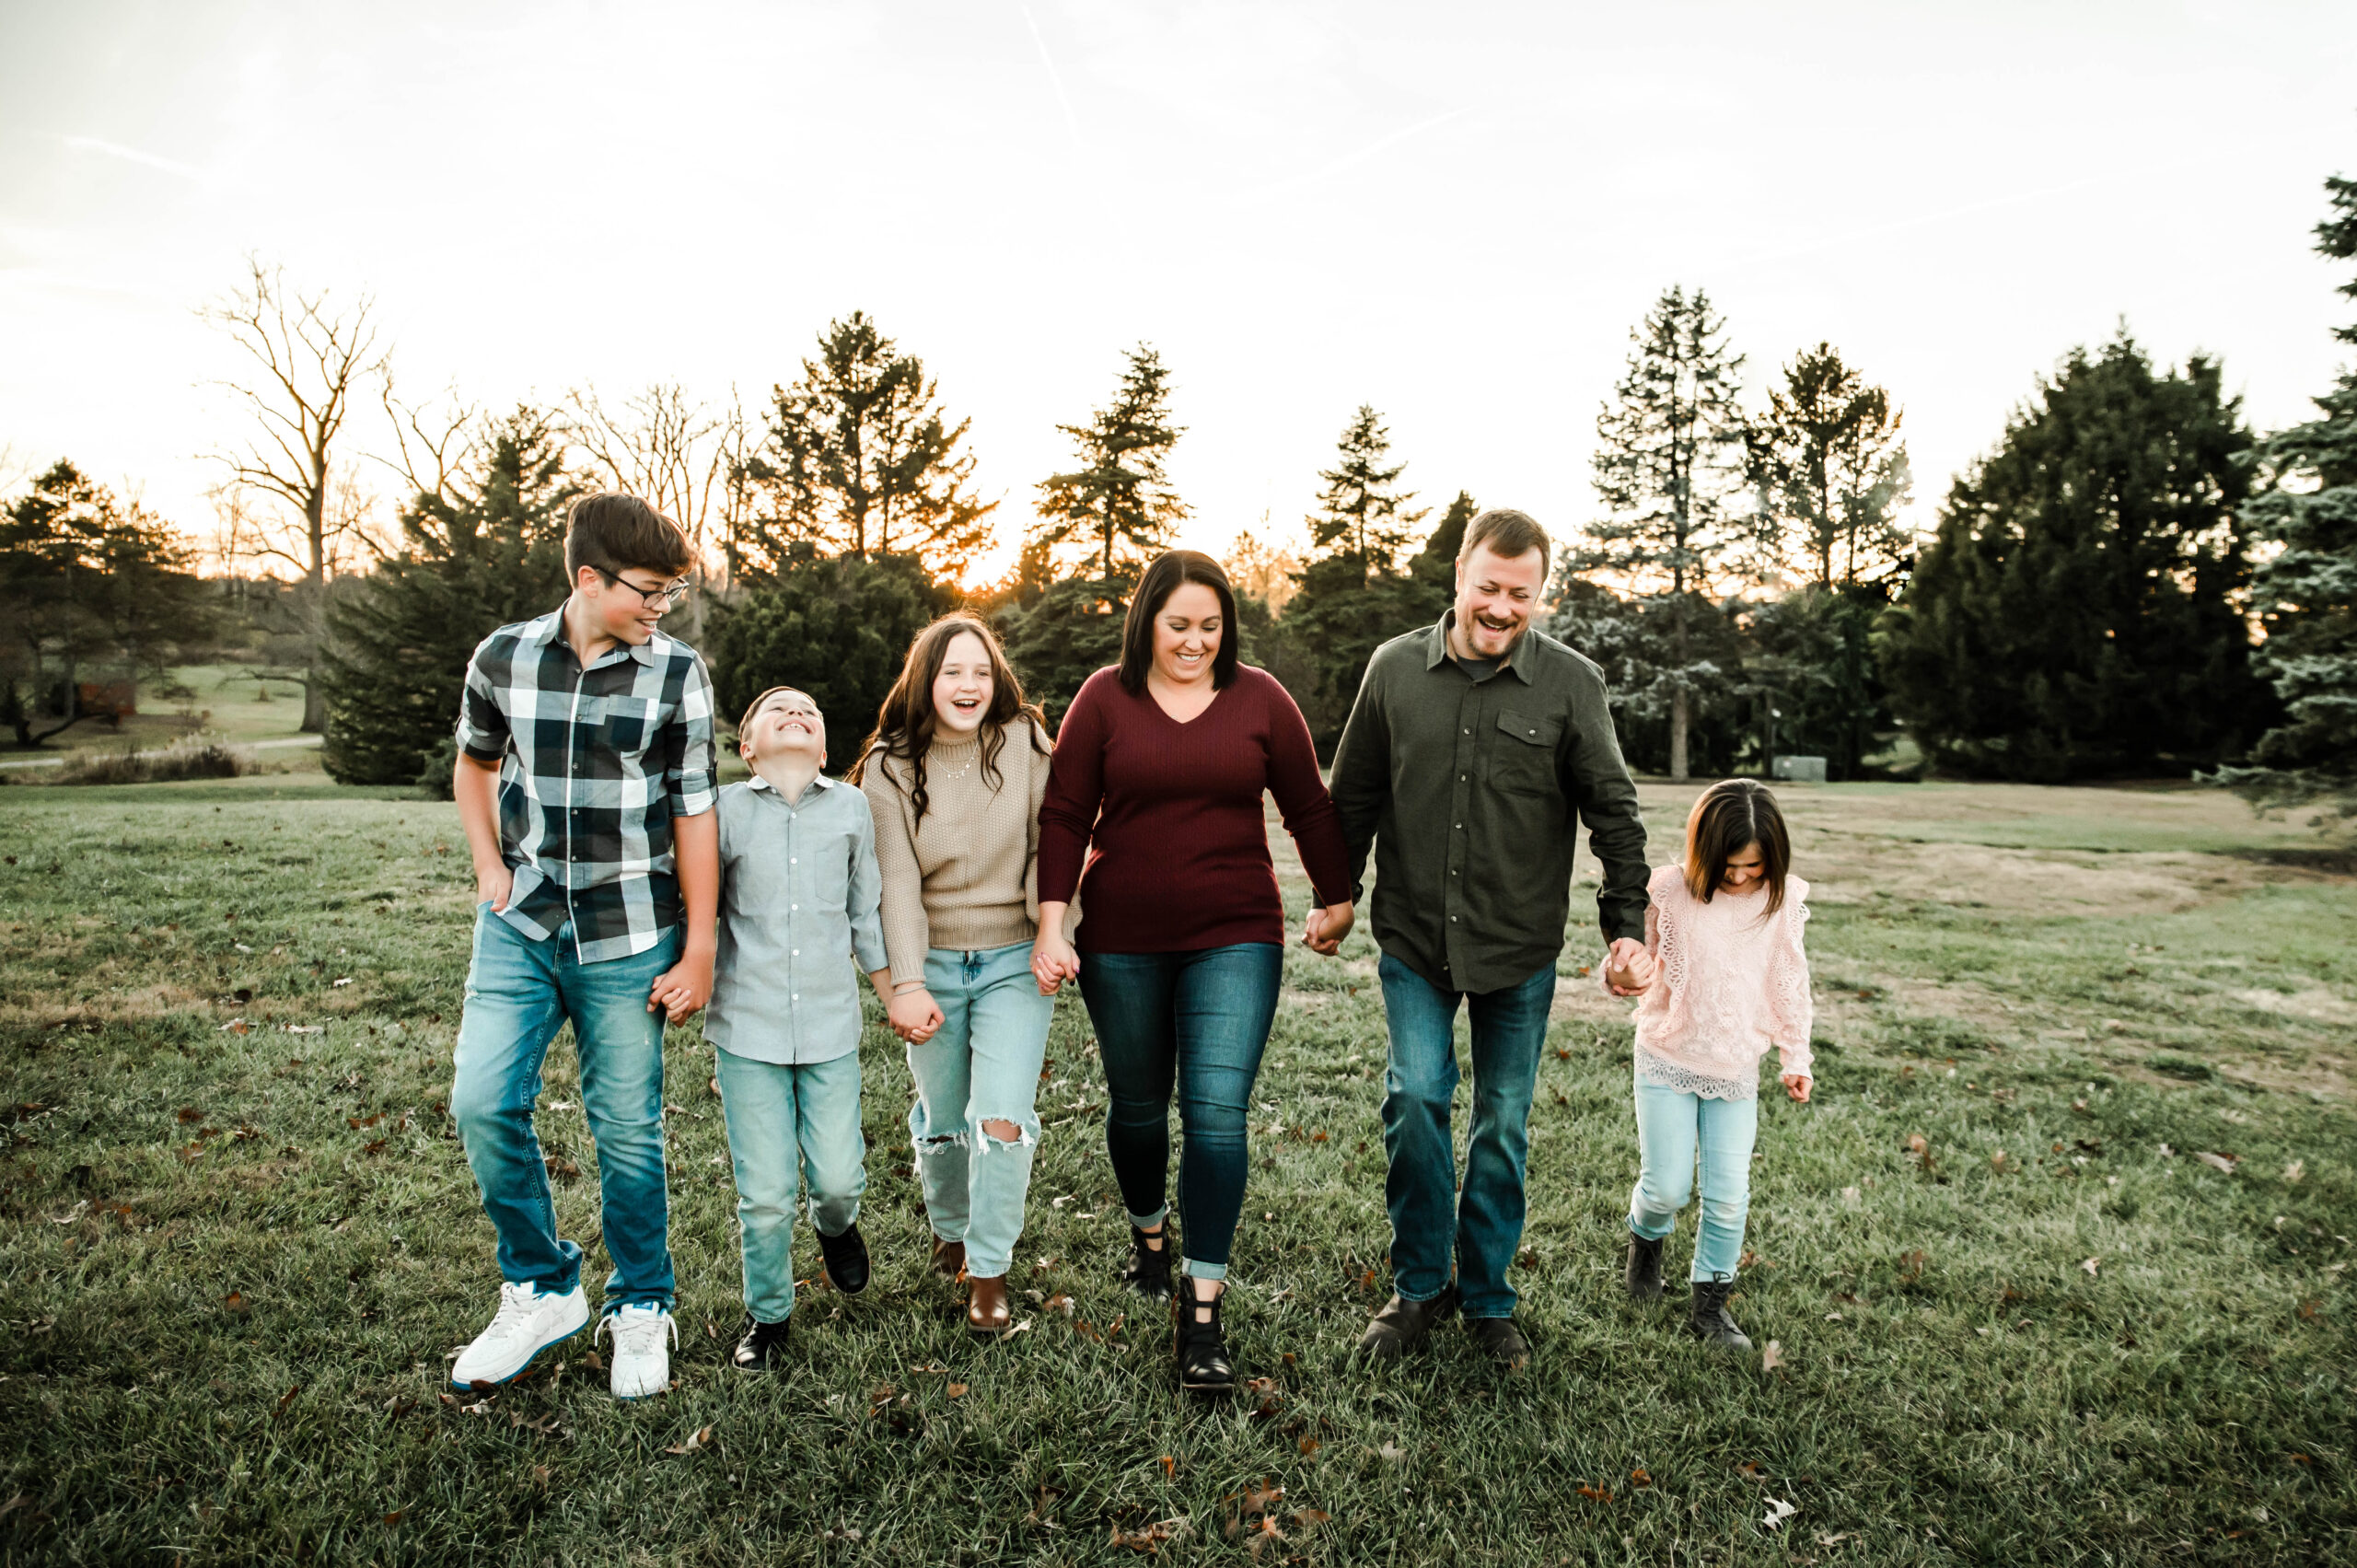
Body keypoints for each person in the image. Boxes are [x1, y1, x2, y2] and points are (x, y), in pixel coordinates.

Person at [1328, 507, 1655, 1370]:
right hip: (1413, 939)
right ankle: (1418, 1285)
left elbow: (1614, 813)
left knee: (1501, 1126)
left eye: (1521, 593)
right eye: (1489, 588)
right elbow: (1352, 795)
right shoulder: (1393, 670)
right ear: (1460, 579)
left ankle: (1489, 1299)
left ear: (1539, 595)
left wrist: (1627, 929)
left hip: (1518, 948)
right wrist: (1336, 893)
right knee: (1417, 1099)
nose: (1502, 606)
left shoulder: (1572, 684)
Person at [1031, 550, 1356, 1397]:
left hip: (1236, 933)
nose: (1195, 641)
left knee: (1216, 1114)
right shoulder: (1105, 698)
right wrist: (1052, 920)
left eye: (1211, 626)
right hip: (1121, 938)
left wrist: (1338, 895)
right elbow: (1066, 811)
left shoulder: (1261, 699)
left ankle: (1201, 1310)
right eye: (1179, 624)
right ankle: (1149, 1236)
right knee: (1138, 1108)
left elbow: (1307, 802)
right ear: (1147, 621)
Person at [445, 493, 716, 1400]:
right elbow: (475, 761)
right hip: (520, 924)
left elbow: (695, 810)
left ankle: (642, 1302)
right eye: (648, 590)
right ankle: (541, 1284)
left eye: (671, 593)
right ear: (587, 578)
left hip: (631, 931)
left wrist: (700, 946)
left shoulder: (678, 675)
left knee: (628, 1132)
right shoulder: (503, 657)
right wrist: (488, 862)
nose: (660, 608)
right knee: (483, 1101)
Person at [852, 613, 1059, 1337]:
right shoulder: (889, 766)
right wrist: (906, 982)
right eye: (952, 671)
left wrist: (1055, 929)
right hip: (933, 959)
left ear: (997, 676)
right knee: (945, 1122)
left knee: (999, 1120)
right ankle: (949, 1226)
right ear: (925, 680)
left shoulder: (1030, 744)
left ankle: (989, 1272)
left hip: (1013, 959)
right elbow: (897, 885)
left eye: (980, 670)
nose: (968, 685)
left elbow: (1052, 845)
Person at [708, 685, 892, 1372]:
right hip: (745, 1026)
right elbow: (701, 905)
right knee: (764, 1194)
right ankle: (769, 1314)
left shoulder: (850, 808)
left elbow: (865, 911)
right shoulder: (724, 811)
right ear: (748, 745)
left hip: (829, 1027)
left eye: (809, 712)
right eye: (776, 710)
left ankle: (835, 1224)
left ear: (824, 746)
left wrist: (893, 993)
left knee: (839, 1177)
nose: (796, 713)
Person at [1618, 779, 1814, 1351]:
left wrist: (1795, 1054)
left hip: (1735, 1071)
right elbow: (1640, 966)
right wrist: (1623, 975)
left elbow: (1789, 983)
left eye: (1753, 866)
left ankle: (1711, 1307)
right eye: (1729, 865)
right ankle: (1645, 1247)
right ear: (1704, 851)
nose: (1740, 877)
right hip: (1666, 1058)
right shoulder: (1670, 891)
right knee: (1667, 1188)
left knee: (1729, 1196)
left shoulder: (1779, 902)